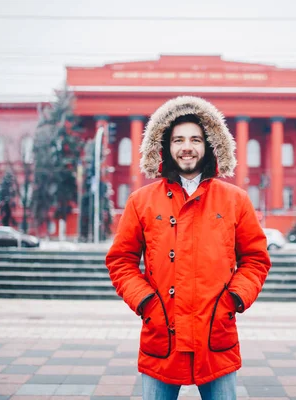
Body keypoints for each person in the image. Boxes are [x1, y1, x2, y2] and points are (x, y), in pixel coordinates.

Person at [106, 96, 271, 399]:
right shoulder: (141, 201)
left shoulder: (235, 200)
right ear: (165, 146)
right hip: (162, 337)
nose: (187, 147)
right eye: (178, 139)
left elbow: (256, 259)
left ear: (209, 145)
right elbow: (120, 260)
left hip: (215, 337)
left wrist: (232, 300)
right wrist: (146, 303)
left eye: (195, 139)